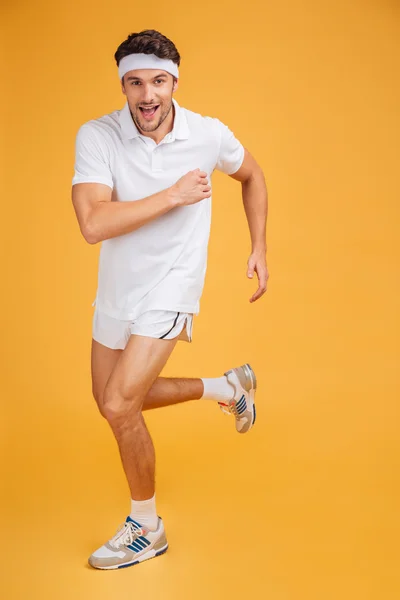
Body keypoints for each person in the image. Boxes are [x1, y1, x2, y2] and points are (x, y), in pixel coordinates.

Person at [71, 29, 269, 571]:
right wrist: (174, 195)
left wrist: (258, 246)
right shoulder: (98, 136)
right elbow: (93, 223)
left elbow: (252, 176)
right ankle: (224, 388)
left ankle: (146, 527)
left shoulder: (207, 135)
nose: (147, 95)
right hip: (117, 290)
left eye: (158, 81)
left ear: (175, 82)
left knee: (118, 405)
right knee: (111, 398)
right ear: (123, 86)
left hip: (172, 287)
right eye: (135, 83)